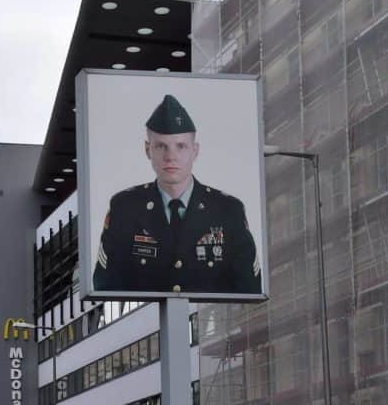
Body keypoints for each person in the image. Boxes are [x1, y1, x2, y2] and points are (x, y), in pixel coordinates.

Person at [92, 94, 261, 295]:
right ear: (148, 150)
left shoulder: (228, 210)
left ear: (195, 151)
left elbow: (250, 288)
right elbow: (105, 286)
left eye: (181, 146)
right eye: (161, 146)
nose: (171, 156)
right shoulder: (125, 207)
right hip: (149, 323)